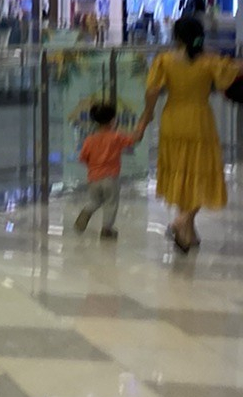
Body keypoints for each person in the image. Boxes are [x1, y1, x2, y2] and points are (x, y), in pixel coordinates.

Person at [133, 13, 241, 254]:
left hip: (173, 119)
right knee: (201, 174)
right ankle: (181, 222)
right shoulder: (209, 60)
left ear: (176, 36)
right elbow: (229, 77)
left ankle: (187, 233)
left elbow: (152, 91)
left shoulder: (164, 60)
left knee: (182, 173)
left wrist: (146, 118)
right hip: (199, 120)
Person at [73, 99, 130, 240]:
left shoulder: (89, 139)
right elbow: (132, 140)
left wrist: (93, 165)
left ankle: (86, 211)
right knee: (111, 203)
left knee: (95, 201)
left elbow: (82, 158)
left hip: (93, 178)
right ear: (112, 120)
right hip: (110, 177)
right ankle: (106, 230)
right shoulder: (116, 137)